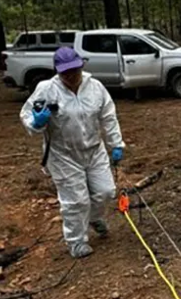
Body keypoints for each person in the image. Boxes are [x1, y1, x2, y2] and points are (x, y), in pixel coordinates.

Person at [20, 47, 125, 259]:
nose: (70, 76)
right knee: (76, 201)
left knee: (106, 191)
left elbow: (108, 116)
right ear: (57, 71)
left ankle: (94, 218)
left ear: (81, 66)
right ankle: (76, 241)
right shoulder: (46, 89)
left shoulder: (95, 87)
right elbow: (27, 116)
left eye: (74, 70)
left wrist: (116, 144)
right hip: (63, 155)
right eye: (65, 72)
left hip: (94, 150)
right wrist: (36, 122)